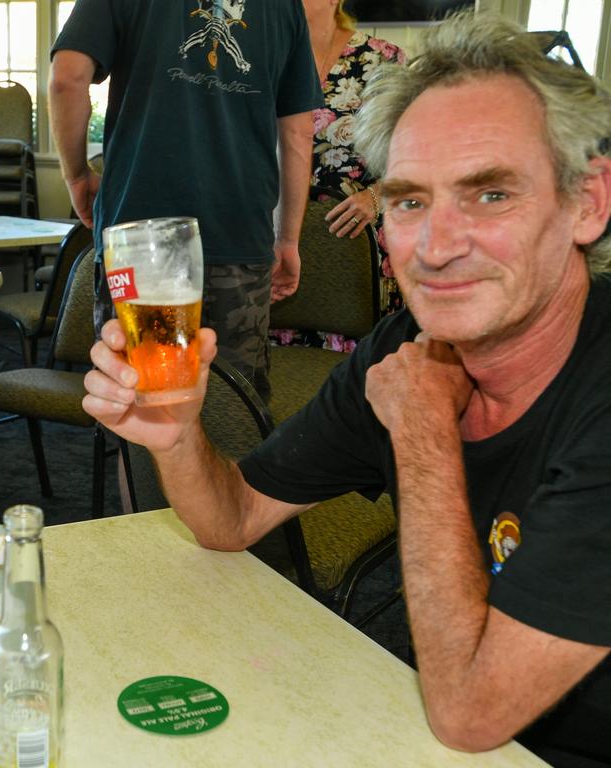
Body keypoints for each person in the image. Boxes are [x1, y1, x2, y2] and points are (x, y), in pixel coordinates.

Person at [82, 13, 611, 766]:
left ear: (587, 202)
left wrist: (422, 431)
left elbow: (470, 713)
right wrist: (178, 435)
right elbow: (232, 520)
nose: (437, 246)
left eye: (491, 195)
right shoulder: (404, 353)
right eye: (408, 200)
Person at [50, 0, 321, 402]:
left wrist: (75, 176)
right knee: (234, 410)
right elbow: (298, 131)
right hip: (240, 232)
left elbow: (67, 79)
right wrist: (288, 239)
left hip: (139, 235)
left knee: (138, 404)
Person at [272, 0, 405, 351]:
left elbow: (424, 154)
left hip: (358, 249)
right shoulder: (260, 57)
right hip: (276, 243)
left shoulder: (383, 60)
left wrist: (377, 196)